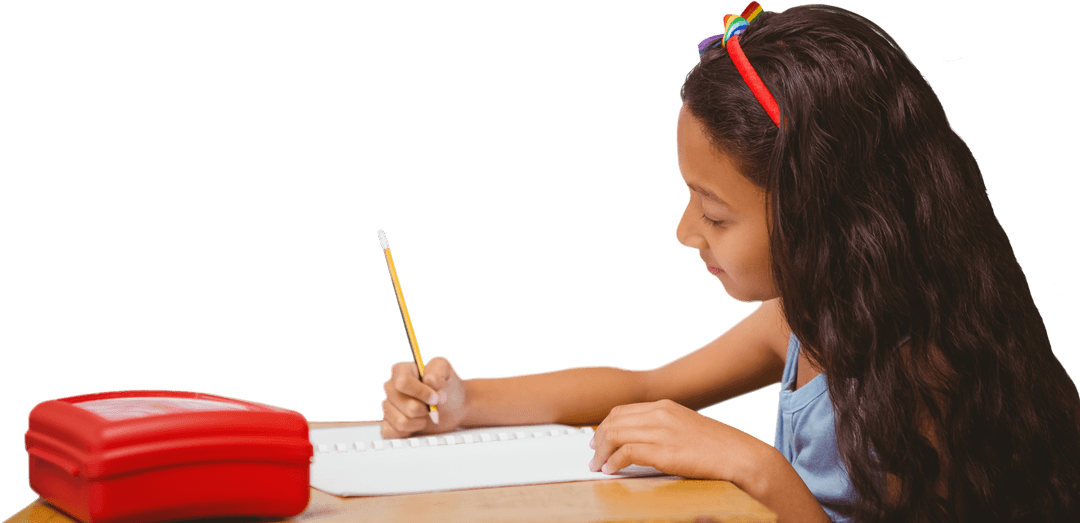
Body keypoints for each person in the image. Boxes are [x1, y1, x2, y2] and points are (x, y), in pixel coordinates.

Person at [379, 3, 1080, 522]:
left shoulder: (925, 378)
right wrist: (467, 404)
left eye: (714, 213)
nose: (686, 231)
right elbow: (645, 383)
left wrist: (756, 467)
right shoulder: (801, 324)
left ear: (823, 212)